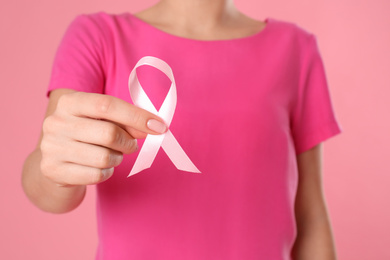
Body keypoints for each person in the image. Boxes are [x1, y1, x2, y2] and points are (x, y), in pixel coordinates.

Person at [22, 0, 341, 259]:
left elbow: (310, 216)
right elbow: (47, 184)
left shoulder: (296, 49)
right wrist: (56, 172)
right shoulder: (98, 36)